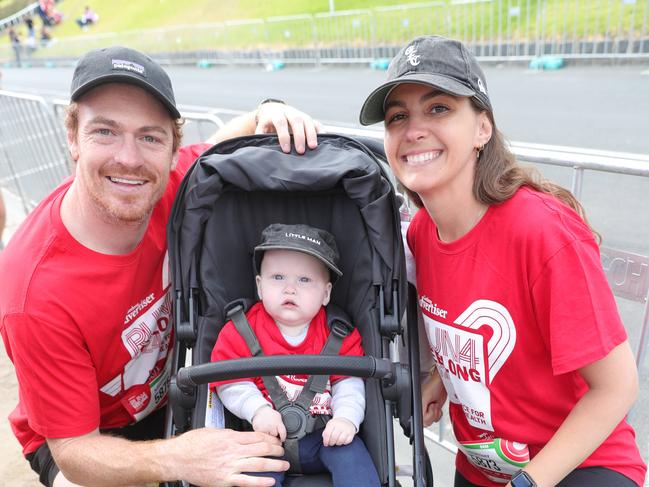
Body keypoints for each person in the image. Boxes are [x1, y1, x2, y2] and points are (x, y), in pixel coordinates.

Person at [0, 45, 320, 487]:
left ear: (172, 150)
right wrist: (178, 458)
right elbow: (74, 449)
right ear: (72, 137)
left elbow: (226, 139)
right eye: (105, 132)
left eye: (150, 137)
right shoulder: (33, 290)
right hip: (82, 433)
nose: (129, 158)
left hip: (164, 394)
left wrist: (270, 109)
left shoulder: (168, 187)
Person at [359, 35, 647, 487]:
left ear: (482, 128)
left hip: (577, 465)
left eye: (439, 108)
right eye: (398, 117)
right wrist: (440, 379)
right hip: (482, 466)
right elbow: (473, 338)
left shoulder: (542, 232)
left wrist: (531, 481)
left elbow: (617, 387)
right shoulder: (419, 233)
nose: (414, 129)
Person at [212, 223, 380, 486]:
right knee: (252, 475)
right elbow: (227, 381)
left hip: (324, 436)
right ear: (259, 286)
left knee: (353, 457)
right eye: (278, 277)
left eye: (304, 280)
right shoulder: (240, 330)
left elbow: (349, 383)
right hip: (264, 437)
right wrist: (257, 411)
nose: (290, 288)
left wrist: (346, 418)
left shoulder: (338, 333)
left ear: (326, 293)